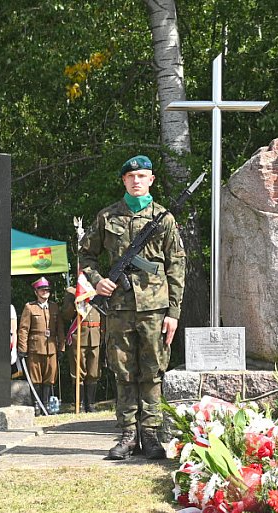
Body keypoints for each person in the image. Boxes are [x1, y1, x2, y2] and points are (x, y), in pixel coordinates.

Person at [80, 154, 187, 460]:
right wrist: (98, 281)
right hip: (119, 307)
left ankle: (150, 434)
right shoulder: (107, 217)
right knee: (123, 370)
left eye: (142, 176)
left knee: (153, 370)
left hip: (155, 308)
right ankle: (128, 433)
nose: (136, 181)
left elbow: (176, 267)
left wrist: (173, 313)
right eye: (131, 177)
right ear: (124, 181)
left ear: (151, 180)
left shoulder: (164, 219)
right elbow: (86, 255)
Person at [17, 277, 66, 415]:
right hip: (35, 348)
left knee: (50, 378)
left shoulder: (54, 307)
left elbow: (60, 329)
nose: (45, 292)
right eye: (42, 290)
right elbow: (24, 329)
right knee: (36, 378)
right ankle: (36, 405)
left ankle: (46, 404)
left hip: (51, 348)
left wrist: (61, 347)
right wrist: (22, 348)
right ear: (36, 292)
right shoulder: (30, 307)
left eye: (47, 290)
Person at [62, 287, 104, 412]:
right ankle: (79, 404)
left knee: (94, 372)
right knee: (78, 372)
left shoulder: (98, 291)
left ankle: (90, 404)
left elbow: (104, 313)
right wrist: (74, 303)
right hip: (79, 336)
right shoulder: (72, 292)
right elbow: (66, 315)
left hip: (95, 336)